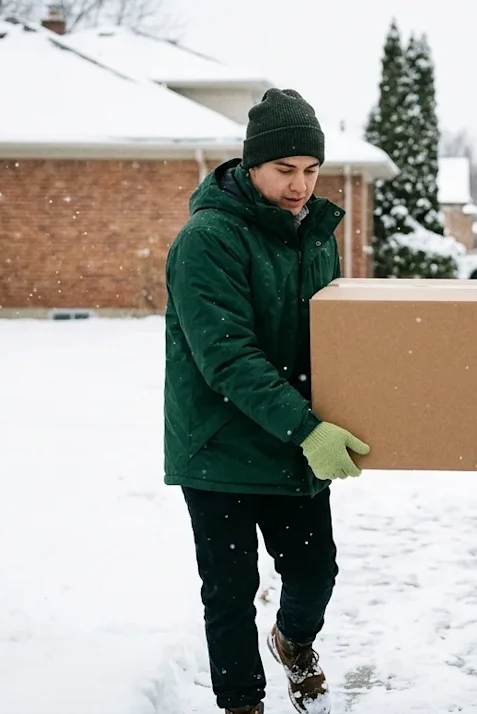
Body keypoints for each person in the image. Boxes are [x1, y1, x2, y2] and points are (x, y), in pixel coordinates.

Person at [164, 87, 371, 714]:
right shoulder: (207, 240)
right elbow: (227, 355)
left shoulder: (314, 236)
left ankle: (292, 639)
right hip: (220, 444)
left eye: (311, 171)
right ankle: (242, 704)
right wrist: (306, 427)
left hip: (292, 439)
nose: (301, 185)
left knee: (315, 574)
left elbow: (328, 339)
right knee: (229, 592)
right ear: (251, 165)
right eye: (285, 170)